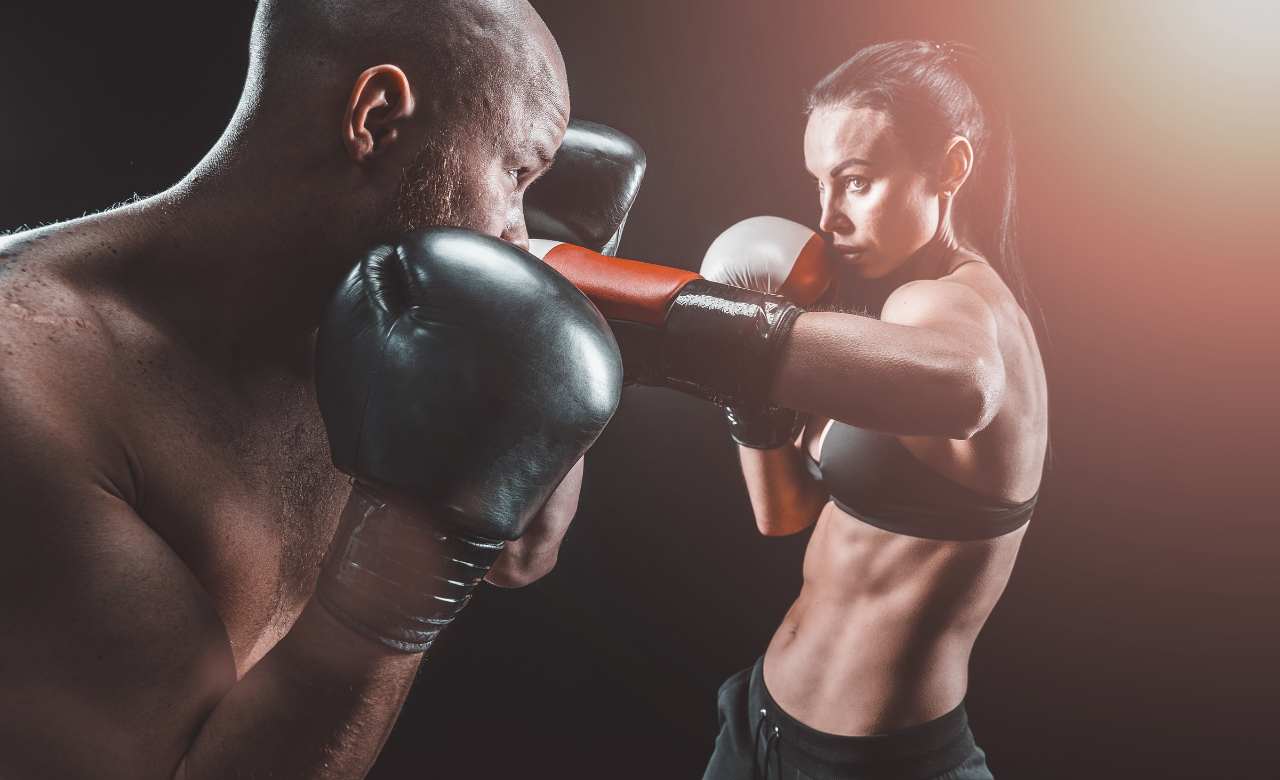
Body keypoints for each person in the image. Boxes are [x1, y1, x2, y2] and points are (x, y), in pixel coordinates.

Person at [0, 1, 633, 777]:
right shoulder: (36, 388)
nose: (516, 232)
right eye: (517, 173)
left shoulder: (366, 317)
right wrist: (415, 559)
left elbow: (523, 551)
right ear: (375, 116)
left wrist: (543, 320)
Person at [527, 39, 1046, 779]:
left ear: (951, 168)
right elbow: (784, 514)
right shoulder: (886, 320)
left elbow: (968, 387)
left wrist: (698, 328)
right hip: (757, 723)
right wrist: (749, 384)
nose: (830, 216)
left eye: (858, 182)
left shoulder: (952, 303)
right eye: (821, 185)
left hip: (878, 765)